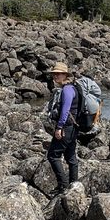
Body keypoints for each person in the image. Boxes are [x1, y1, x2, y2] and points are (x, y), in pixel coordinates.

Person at [46, 61, 78, 194]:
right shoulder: (71, 88)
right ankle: (74, 185)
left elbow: (65, 110)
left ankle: (63, 186)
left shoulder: (67, 90)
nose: (55, 76)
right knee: (71, 156)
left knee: (53, 155)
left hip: (66, 127)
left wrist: (59, 127)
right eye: (54, 74)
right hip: (73, 127)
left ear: (65, 75)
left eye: (58, 74)